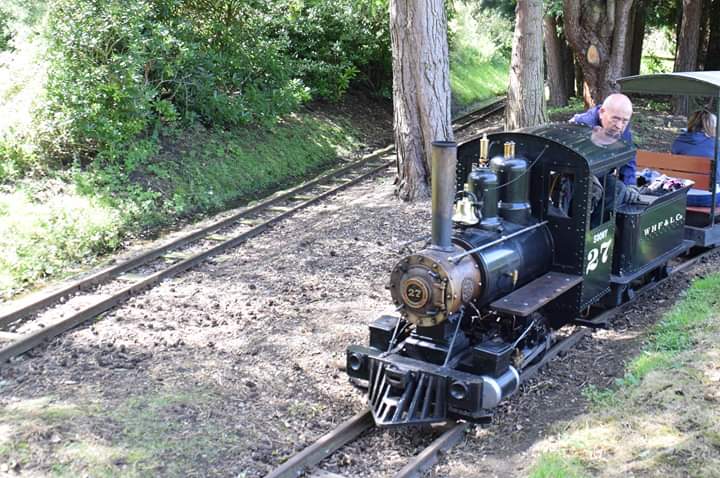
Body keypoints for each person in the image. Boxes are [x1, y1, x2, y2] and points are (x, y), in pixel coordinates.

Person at [570, 93, 640, 206]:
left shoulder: (621, 125)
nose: (619, 126)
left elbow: (628, 155)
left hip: (601, 173)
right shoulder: (581, 125)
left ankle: (599, 218)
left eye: (624, 121)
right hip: (575, 176)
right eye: (615, 119)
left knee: (618, 189)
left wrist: (630, 184)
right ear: (602, 112)